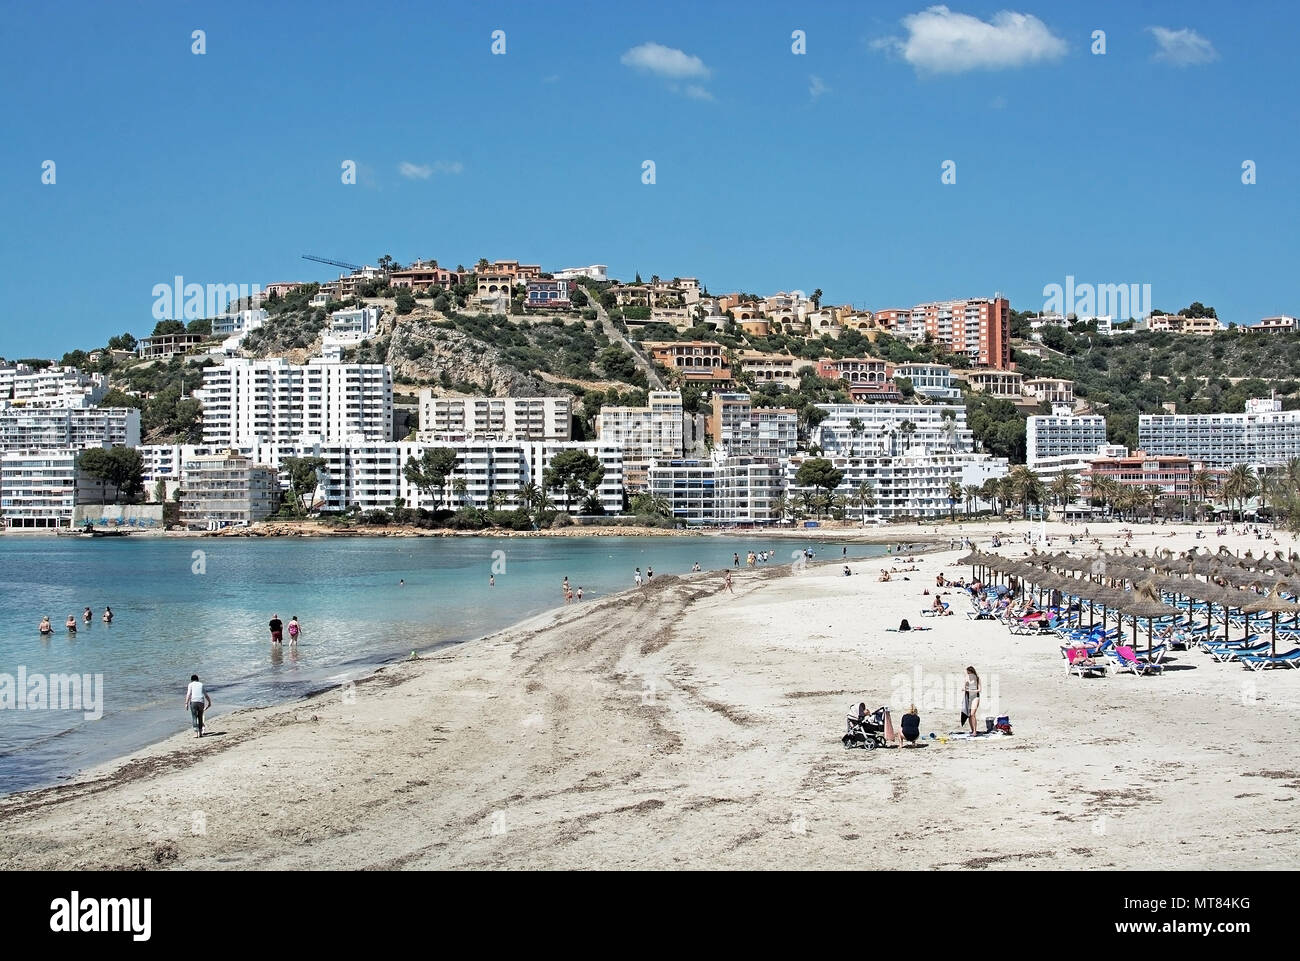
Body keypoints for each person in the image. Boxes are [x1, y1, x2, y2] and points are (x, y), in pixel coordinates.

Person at [185, 674, 212, 738]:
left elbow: (188, 694)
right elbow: (205, 694)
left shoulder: (190, 684)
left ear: (191, 680)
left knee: (194, 717)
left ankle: (196, 733)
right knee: (200, 717)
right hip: (201, 702)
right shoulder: (201, 684)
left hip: (193, 702)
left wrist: (186, 703)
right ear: (198, 679)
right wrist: (209, 702)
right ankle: (200, 733)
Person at [963, 666, 981, 735]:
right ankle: (972, 730)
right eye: (967, 673)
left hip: (975, 697)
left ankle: (975, 731)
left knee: (972, 714)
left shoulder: (977, 678)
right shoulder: (967, 679)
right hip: (969, 697)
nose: (968, 675)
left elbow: (979, 690)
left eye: (969, 673)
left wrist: (969, 690)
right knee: (969, 715)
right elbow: (965, 688)